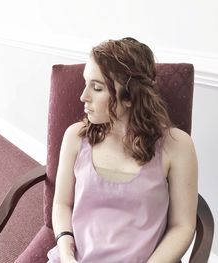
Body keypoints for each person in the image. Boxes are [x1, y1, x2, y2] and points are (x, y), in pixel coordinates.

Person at [46, 37, 198, 263]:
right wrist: (67, 254)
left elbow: (182, 226)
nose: (83, 96)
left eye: (96, 88)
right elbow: (61, 204)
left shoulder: (177, 146)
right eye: (85, 83)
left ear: (130, 96)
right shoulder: (75, 137)